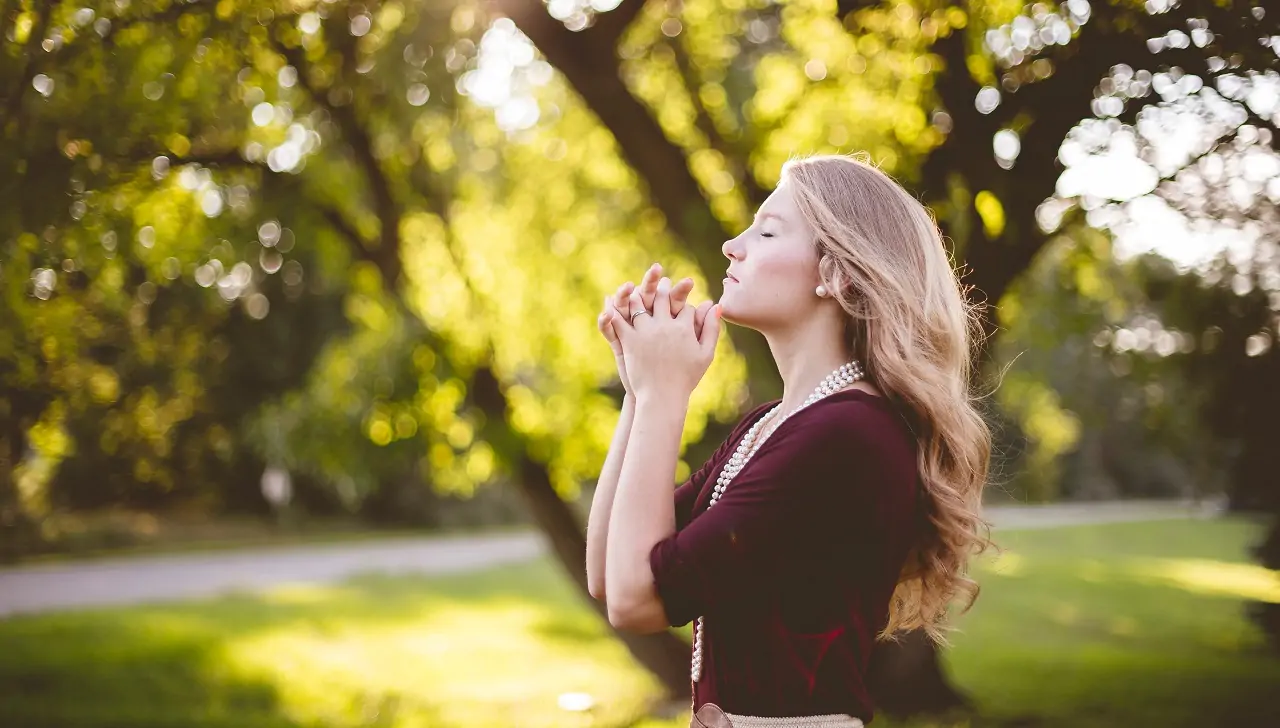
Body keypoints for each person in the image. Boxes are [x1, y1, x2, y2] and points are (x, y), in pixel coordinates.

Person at [586, 153, 993, 727]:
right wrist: (640, 387)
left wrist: (664, 395)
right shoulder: (772, 425)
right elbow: (609, 574)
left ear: (838, 274)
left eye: (767, 230)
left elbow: (638, 602)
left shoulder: (845, 436)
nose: (733, 244)